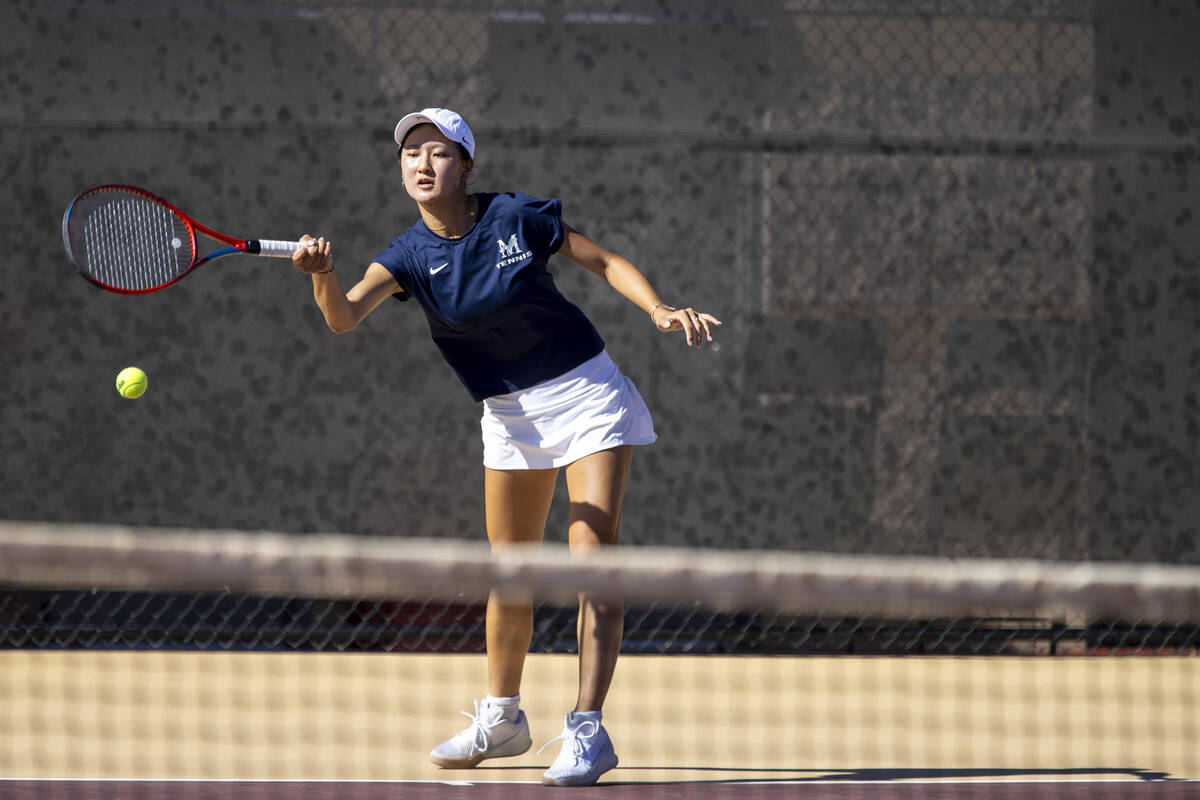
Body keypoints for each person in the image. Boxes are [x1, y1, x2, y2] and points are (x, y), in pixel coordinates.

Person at [292, 107, 720, 787]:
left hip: (586, 395)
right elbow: (343, 317)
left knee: (592, 564)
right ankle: (503, 719)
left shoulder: (515, 217)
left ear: (466, 165)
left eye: (437, 153)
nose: (422, 165)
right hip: (509, 417)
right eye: (411, 155)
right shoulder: (406, 255)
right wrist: (321, 274)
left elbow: (601, 259)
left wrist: (659, 308)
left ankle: (587, 730)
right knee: (510, 572)